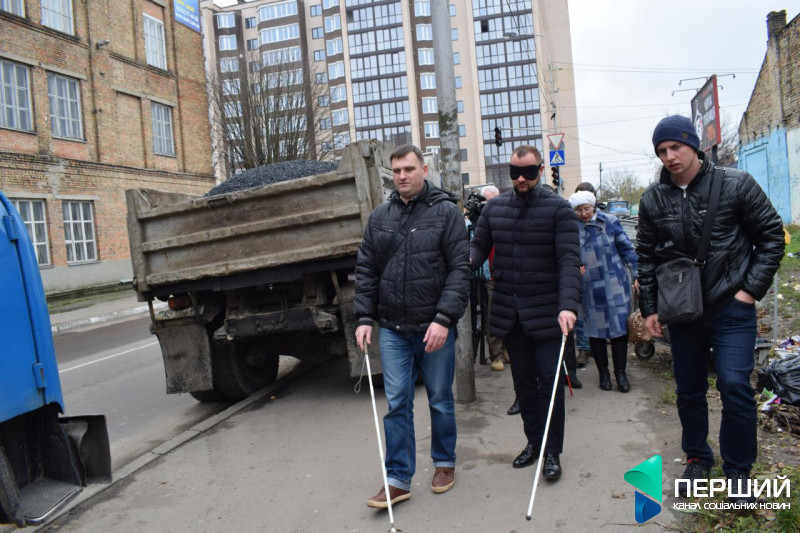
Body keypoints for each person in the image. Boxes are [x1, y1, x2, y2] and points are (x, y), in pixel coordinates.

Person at [638, 115, 785, 500]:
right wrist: (650, 308)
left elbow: (772, 237)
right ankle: (697, 458)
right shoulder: (653, 199)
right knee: (689, 389)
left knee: (735, 385)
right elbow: (646, 257)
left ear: (694, 145)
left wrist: (749, 292)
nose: (669, 156)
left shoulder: (736, 184)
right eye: (662, 151)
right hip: (682, 310)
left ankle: (738, 471)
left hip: (731, 307)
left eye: (676, 147)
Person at [353, 144, 470, 509]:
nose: (402, 176)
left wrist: (444, 319)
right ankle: (397, 480)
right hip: (393, 329)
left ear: (424, 169)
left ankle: (444, 462)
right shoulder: (380, 216)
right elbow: (367, 270)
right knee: (397, 403)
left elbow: (460, 270)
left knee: (440, 399)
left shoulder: (447, 212)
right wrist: (364, 318)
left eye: (408, 169)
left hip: (434, 328)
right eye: (397, 171)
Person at [470, 145, 581, 480]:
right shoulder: (495, 209)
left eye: (528, 173)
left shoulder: (558, 210)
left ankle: (552, 452)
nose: (521, 179)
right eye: (515, 173)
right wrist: (459, 266)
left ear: (541, 170)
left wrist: (568, 305)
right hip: (512, 315)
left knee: (550, 384)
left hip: (548, 314)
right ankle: (534, 442)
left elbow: (569, 261)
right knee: (523, 385)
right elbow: (477, 248)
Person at [569, 191, 637, 392]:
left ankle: (621, 374)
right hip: (589, 287)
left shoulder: (610, 221)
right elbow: (568, 254)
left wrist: (637, 274)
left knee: (619, 330)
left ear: (593, 206)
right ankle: (604, 374)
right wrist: (574, 267)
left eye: (586, 209)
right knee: (595, 332)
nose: (583, 214)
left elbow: (627, 249)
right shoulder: (571, 228)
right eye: (578, 210)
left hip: (614, 283)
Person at [478, 185, 510, 372]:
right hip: (489, 276)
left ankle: (505, 348)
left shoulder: (504, 218)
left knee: (508, 315)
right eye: (490, 201)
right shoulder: (478, 222)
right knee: (492, 316)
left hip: (506, 275)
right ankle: (495, 354)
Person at [573, 181, 597, 368]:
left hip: (599, 277)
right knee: (580, 314)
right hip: (579, 277)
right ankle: (583, 348)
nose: (583, 212)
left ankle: (596, 345)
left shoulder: (603, 221)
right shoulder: (571, 225)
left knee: (598, 314)